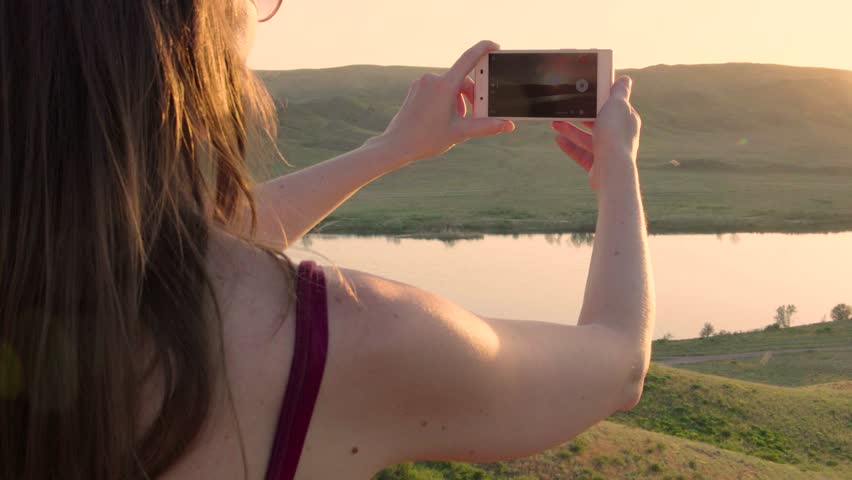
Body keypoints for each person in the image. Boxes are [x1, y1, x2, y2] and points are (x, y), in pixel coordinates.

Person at [0, 0, 654, 479]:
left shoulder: (55, 278)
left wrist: (389, 150)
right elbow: (616, 363)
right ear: (185, 32)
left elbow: (183, 251)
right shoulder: (335, 339)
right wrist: (617, 171)